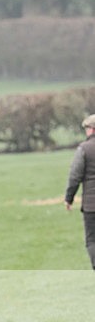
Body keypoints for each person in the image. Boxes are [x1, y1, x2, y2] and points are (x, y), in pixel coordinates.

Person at [64, 114, 95, 269]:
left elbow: (74, 176)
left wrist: (69, 198)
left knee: (92, 240)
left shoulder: (84, 149)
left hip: (91, 206)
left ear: (91, 129)